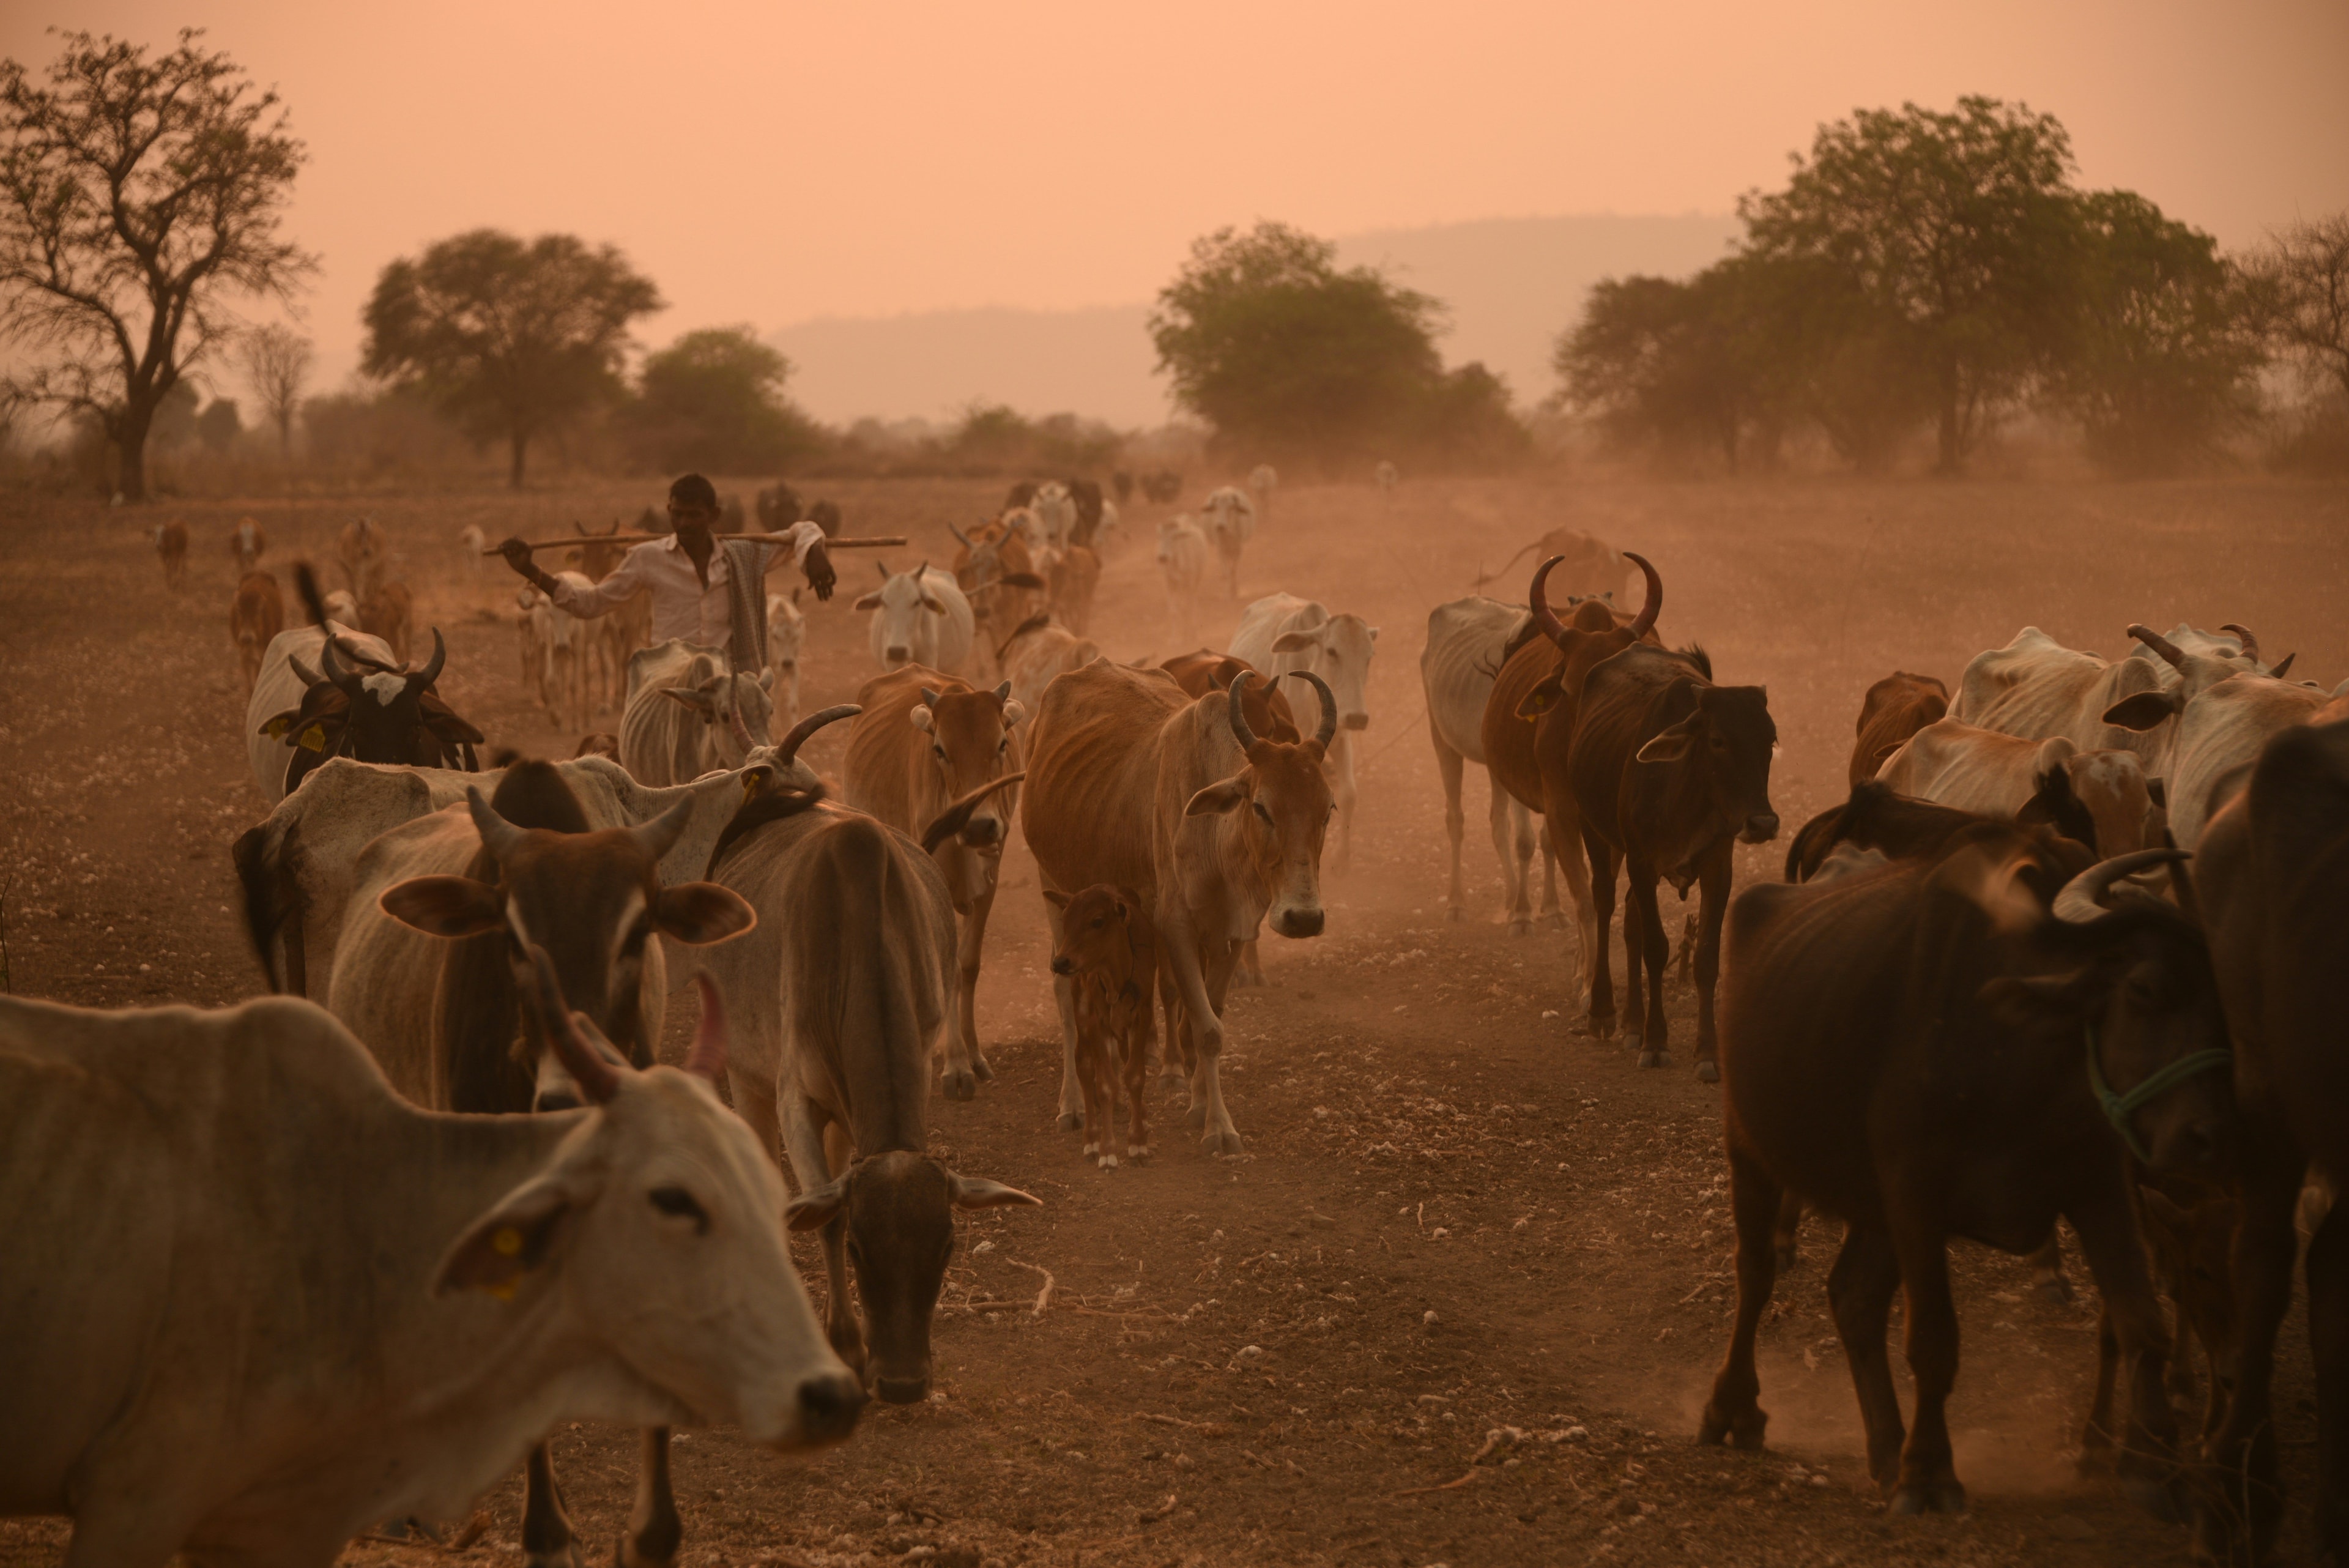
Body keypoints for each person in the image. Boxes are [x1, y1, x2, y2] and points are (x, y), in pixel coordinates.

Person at [497, 474, 836, 650]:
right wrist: (530, 570)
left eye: (695, 516)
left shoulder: (743, 554)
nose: (685, 523)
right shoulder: (648, 558)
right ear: (669, 512)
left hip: (731, 684)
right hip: (669, 685)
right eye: (678, 514)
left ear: (715, 516)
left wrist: (815, 550)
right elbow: (590, 604)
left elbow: (801, 530)